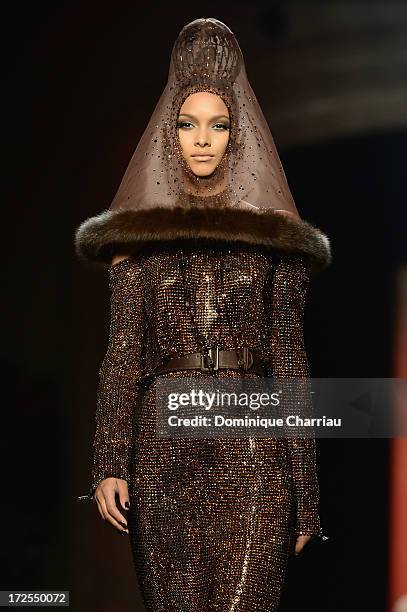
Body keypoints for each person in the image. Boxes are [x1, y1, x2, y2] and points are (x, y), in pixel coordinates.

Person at [75, 17, 331, 611]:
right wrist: (109, 460)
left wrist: (305, 491)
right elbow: (123, 355)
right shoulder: (142, 239)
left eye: (218, 125)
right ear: (171, 132)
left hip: (255, 451)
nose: (202, 139)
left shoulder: (273, 242)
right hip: (163, 449)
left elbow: (291, 364)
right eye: (188, 124)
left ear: (237, 136)